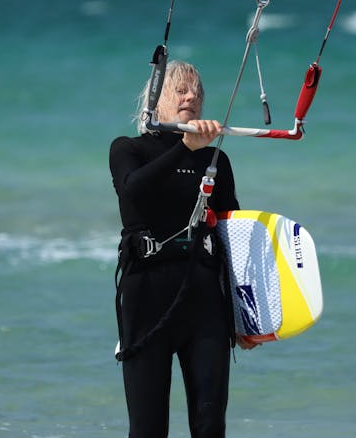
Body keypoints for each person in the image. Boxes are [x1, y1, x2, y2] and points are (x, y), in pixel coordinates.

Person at [109, 60, 257, 438]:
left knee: (210, 427)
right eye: (180, 89)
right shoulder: (129, 149)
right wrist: (185, 146)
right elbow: (133, 189)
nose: (190, 96)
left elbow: (230, 234)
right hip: (146, 296)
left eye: (196, 92)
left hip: (204, 300)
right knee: (148, 429)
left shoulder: (215, 160)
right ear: (156, 99)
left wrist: (247, 317)